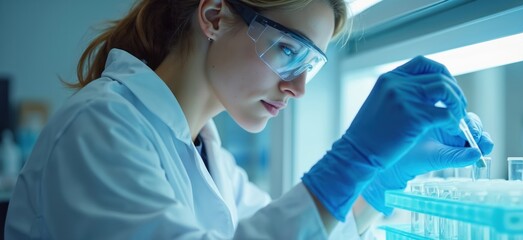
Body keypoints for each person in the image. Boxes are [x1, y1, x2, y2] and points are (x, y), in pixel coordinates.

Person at [5, 0, 493, 239]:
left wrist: (378, 179)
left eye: (311, 66)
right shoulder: (99, 127)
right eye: (287, 51)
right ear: (215, 16)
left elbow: (296, 233)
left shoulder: (209, 154)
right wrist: (349, 163)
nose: (299, 88)